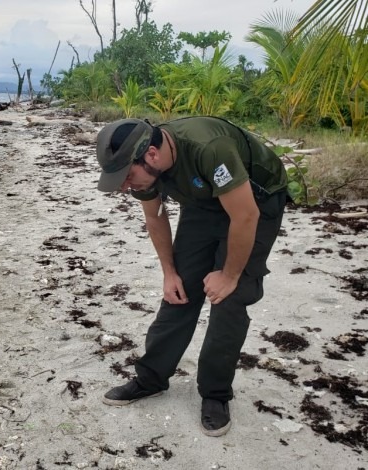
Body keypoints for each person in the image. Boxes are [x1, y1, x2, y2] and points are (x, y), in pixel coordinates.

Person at [94, 116, 288, 437]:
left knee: (230, 297)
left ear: (152, 156)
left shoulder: (210, 149)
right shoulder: (147, 170)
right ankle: (151, 379)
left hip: (256, 198)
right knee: (179, 289)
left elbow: (245, 215)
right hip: (202, 200)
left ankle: (215, 394)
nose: (125, 186)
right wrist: (169, 272)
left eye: (127, 176)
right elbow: (155, 217)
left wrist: (228, 274)